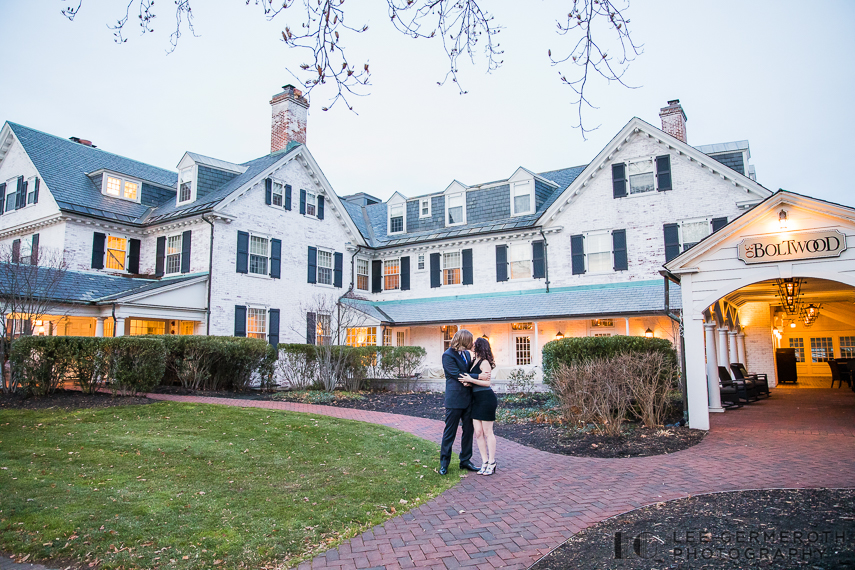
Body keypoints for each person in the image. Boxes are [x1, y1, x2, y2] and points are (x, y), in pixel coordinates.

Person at [439, 329, 491, 475]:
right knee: (450, 432)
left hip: (469, 399)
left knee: (468, 431)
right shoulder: (447, 355)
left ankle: (465, 460)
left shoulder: (467, 354)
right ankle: (444, 464)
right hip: (454, 399)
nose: (472, 343)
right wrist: (478, 376)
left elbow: (465, 374)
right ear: (464, 340)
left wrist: (471, 380)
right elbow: (456, 374)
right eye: (470, 340)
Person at [460, 337, 498, 475]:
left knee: (488, 432)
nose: (472, 345)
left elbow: (487, 383)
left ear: (480, 346)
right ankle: (484, 461)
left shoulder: (485, 362)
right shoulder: (473, 361)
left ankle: (492, 462)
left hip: (486, 399)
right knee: (478, 432)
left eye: (475, 344)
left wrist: (470, 379)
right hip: (475, 400)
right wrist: (470, 382)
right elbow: (476, 380)